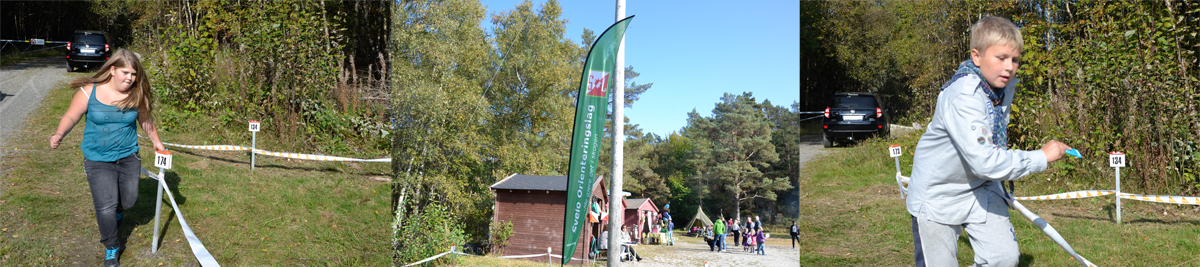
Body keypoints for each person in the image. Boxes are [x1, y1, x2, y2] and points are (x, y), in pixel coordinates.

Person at [906, 16, 1070, 267]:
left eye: (1015, 60)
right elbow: (985, 159)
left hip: (980, 187)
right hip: (938, 194)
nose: (1009, 67)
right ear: (977, 56)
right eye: (1001, 57)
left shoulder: (1001, 89)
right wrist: (1040, 157)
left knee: (1003, 259)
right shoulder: (963, 95)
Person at [50, 48, 165, 267]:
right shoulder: (89, 92)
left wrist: (156, 141)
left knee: (129, 200)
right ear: (112, 70)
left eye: (133, 74)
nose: (130, 78)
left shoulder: (135, 93)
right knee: (105, 206)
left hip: (128, 155)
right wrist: (59, 134)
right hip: (97, 158)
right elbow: (71, 115)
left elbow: (145, 119)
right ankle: (111, 247)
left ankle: (118, 214)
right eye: (125, 73)